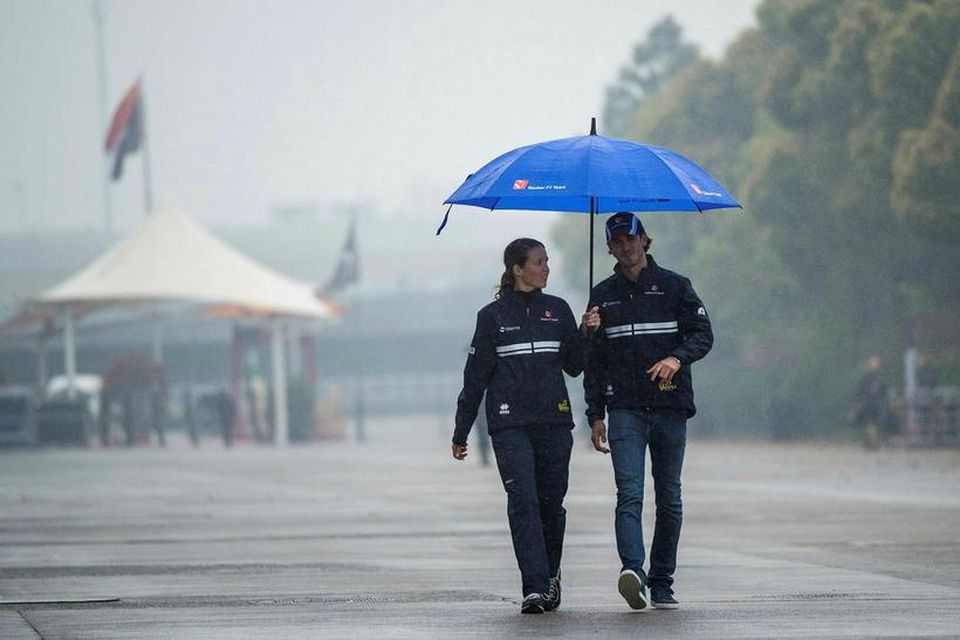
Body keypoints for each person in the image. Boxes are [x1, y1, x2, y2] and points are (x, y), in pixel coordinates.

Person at [451, 237, 599, 614]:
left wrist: (587, 332)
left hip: (553, 420)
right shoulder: (492, 317)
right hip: (509, 424)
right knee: (524, 503)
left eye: (547, 261)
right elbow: (475, 379)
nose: (546, 268)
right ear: (517, 268)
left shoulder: (558, 310)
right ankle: (534, 587)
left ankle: (550, 575)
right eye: (538, 262)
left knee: (551, 505)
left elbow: (575, 366)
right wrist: (461, 430)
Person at [583, 212, 713, 611]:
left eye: (630, 238)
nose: (625, 246)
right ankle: (633, 573)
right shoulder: (601, 296)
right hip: (624, 410)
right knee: (630, 494)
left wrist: (676, 358)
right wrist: (595, 413)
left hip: (670, 407)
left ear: (645, 240)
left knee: (669, 497)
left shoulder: (676, 287)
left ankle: (662, 582)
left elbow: (703, 335)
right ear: (608, 247)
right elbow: (594, 361)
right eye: (617, 241)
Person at [852, 355, 888, 449]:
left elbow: (884, 389)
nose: (875, 364)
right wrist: (859, 401)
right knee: (870, 423)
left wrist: (883, 400)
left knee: (876, 423)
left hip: (878, 404)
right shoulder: (866, 375)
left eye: (876, 362)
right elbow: (860, 389)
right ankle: (872, 442)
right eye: (873, 362)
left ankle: (872, 442)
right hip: (868, 403)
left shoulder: (881, 376)